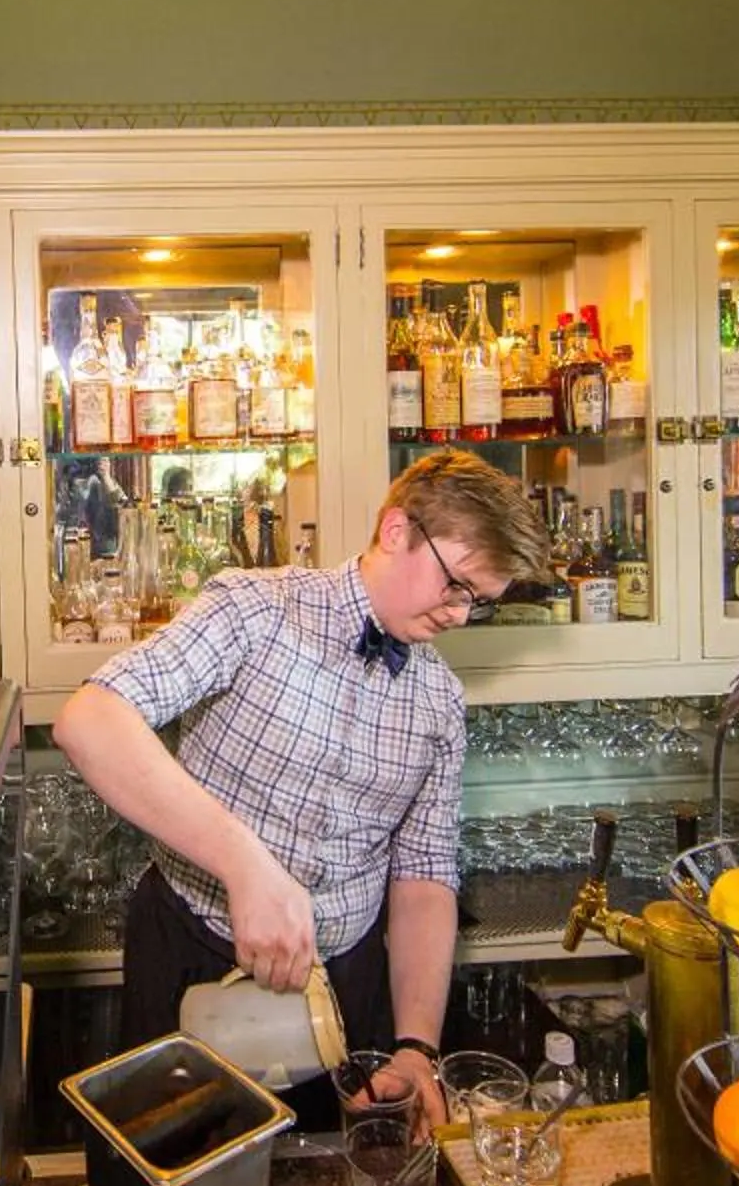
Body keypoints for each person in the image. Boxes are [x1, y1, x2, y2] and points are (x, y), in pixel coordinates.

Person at [53, 448, 549, 1126]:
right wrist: (244, 865)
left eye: (479, 603)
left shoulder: (440, 702)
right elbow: (90, 720)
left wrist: (415, 1048)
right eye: (456, 585)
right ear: (398, 530)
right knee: (175, 1185)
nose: (460, 615)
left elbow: (425, 876)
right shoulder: (254, 610)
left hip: (347, 990)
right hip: (195, 956)